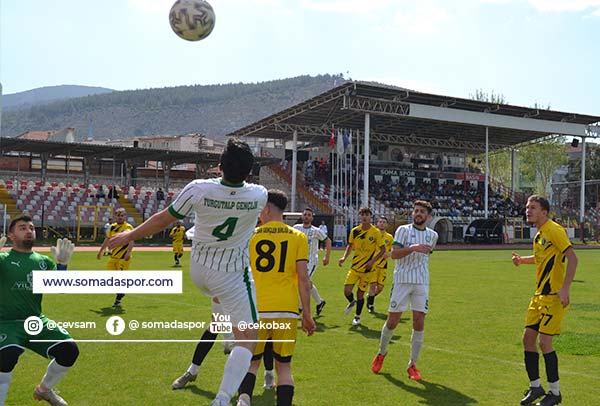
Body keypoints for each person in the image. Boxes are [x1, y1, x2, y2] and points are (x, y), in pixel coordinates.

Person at [107, 138, 268, 406]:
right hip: (230, 272)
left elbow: (162, 219)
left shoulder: (198, 189)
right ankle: (222, 398)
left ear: (218, 167)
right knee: (249, 338)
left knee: (220, 304)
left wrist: (129, 236)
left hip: (199, 271)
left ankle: (220, 330)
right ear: (250, 172)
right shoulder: (259, 195)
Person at [237, 190, 316, 406]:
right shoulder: (298, 237)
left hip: (256, 309)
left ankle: (243, 400)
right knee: (284, 367)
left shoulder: (251, 235)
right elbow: (303, 279)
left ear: (267, 208)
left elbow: (240, 275)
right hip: (286, 310)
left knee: (251, 363)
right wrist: (307, 315)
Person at [0, 216, 78, 406]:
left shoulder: (43, 261)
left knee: (69, 350)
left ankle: (44, 390)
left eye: (32, 228)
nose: (29, 231)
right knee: (6, 356)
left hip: (35, 320)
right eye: (22, 228)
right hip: (5, 322)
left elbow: (59, 288)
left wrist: (61, 266)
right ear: (11, 235)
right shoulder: (2, 259)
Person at [511, 195, 577, 406]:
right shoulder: (538, 234)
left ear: (544, 212)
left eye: (533, 207)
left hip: (553, 298)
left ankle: (555, 393)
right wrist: (522, 260)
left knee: (544, 342)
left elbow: (573, 257)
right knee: (527, 340)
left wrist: (565, 287)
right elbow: (540, 258)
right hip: (538, 296)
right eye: (527, 207)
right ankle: (535, 387)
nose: (528, 210)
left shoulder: (554, 230)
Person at [371, 200, 438, 381]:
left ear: (428, 216)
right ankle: (381, 353)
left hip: (421, 282)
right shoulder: (403, 230)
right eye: (416, 210)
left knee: (419, 320)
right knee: (393, 321)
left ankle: (412, 365)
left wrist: (417, 250)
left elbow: (424, 258)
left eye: (422, 212)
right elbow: (395, 254)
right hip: (402, 281)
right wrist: (414, 248)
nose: (418, 213)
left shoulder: (433, 235)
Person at [338, 207, 385, 326]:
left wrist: (372, 261)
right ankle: (352, 301)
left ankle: (357, 317)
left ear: (370, 217)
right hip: (355, 268)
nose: (364, 217)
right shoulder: (355, 231)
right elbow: (350, 246)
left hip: (368, 270)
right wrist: (344, 258)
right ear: (360, 216)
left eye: (367, 214)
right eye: (362, 214)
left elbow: (383, 249)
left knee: (360, 293)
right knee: (346, 290)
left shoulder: (375, 232)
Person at [293, 208, 331, 316]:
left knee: (303, 282)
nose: (306, 216)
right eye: (305, 214)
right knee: (307, 283)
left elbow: (328, 241)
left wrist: (327, 257)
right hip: (298, 260)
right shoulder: (296, 228)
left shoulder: (316, 231)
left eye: (309, 215)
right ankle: (320, 302)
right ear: (302, 216)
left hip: (311, 260)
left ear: (312, 218)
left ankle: (300, 307)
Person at [97, 208, 134, 308]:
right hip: (113, 257)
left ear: (125, 217)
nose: (120, 217)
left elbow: (131, 240)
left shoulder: (128, 227)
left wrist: (128, 252)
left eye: (122, 215)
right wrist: (101, 251)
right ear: (115, 217)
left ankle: (118, 299)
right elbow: (107, 239)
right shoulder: (112, 227)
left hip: (123, 257)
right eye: (118, 215)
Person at [366, 216, 394, 313]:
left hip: (383, 265)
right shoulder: (373, 235)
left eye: (384, 222)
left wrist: (389, 254)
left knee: (380, 288)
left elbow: (392, 249)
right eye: (380, 222)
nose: (382, 223)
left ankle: (370, 297)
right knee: (372, 285)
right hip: (373, 264)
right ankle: (371, 305)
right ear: (377, 223)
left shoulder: (389, 237)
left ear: (386, 224)